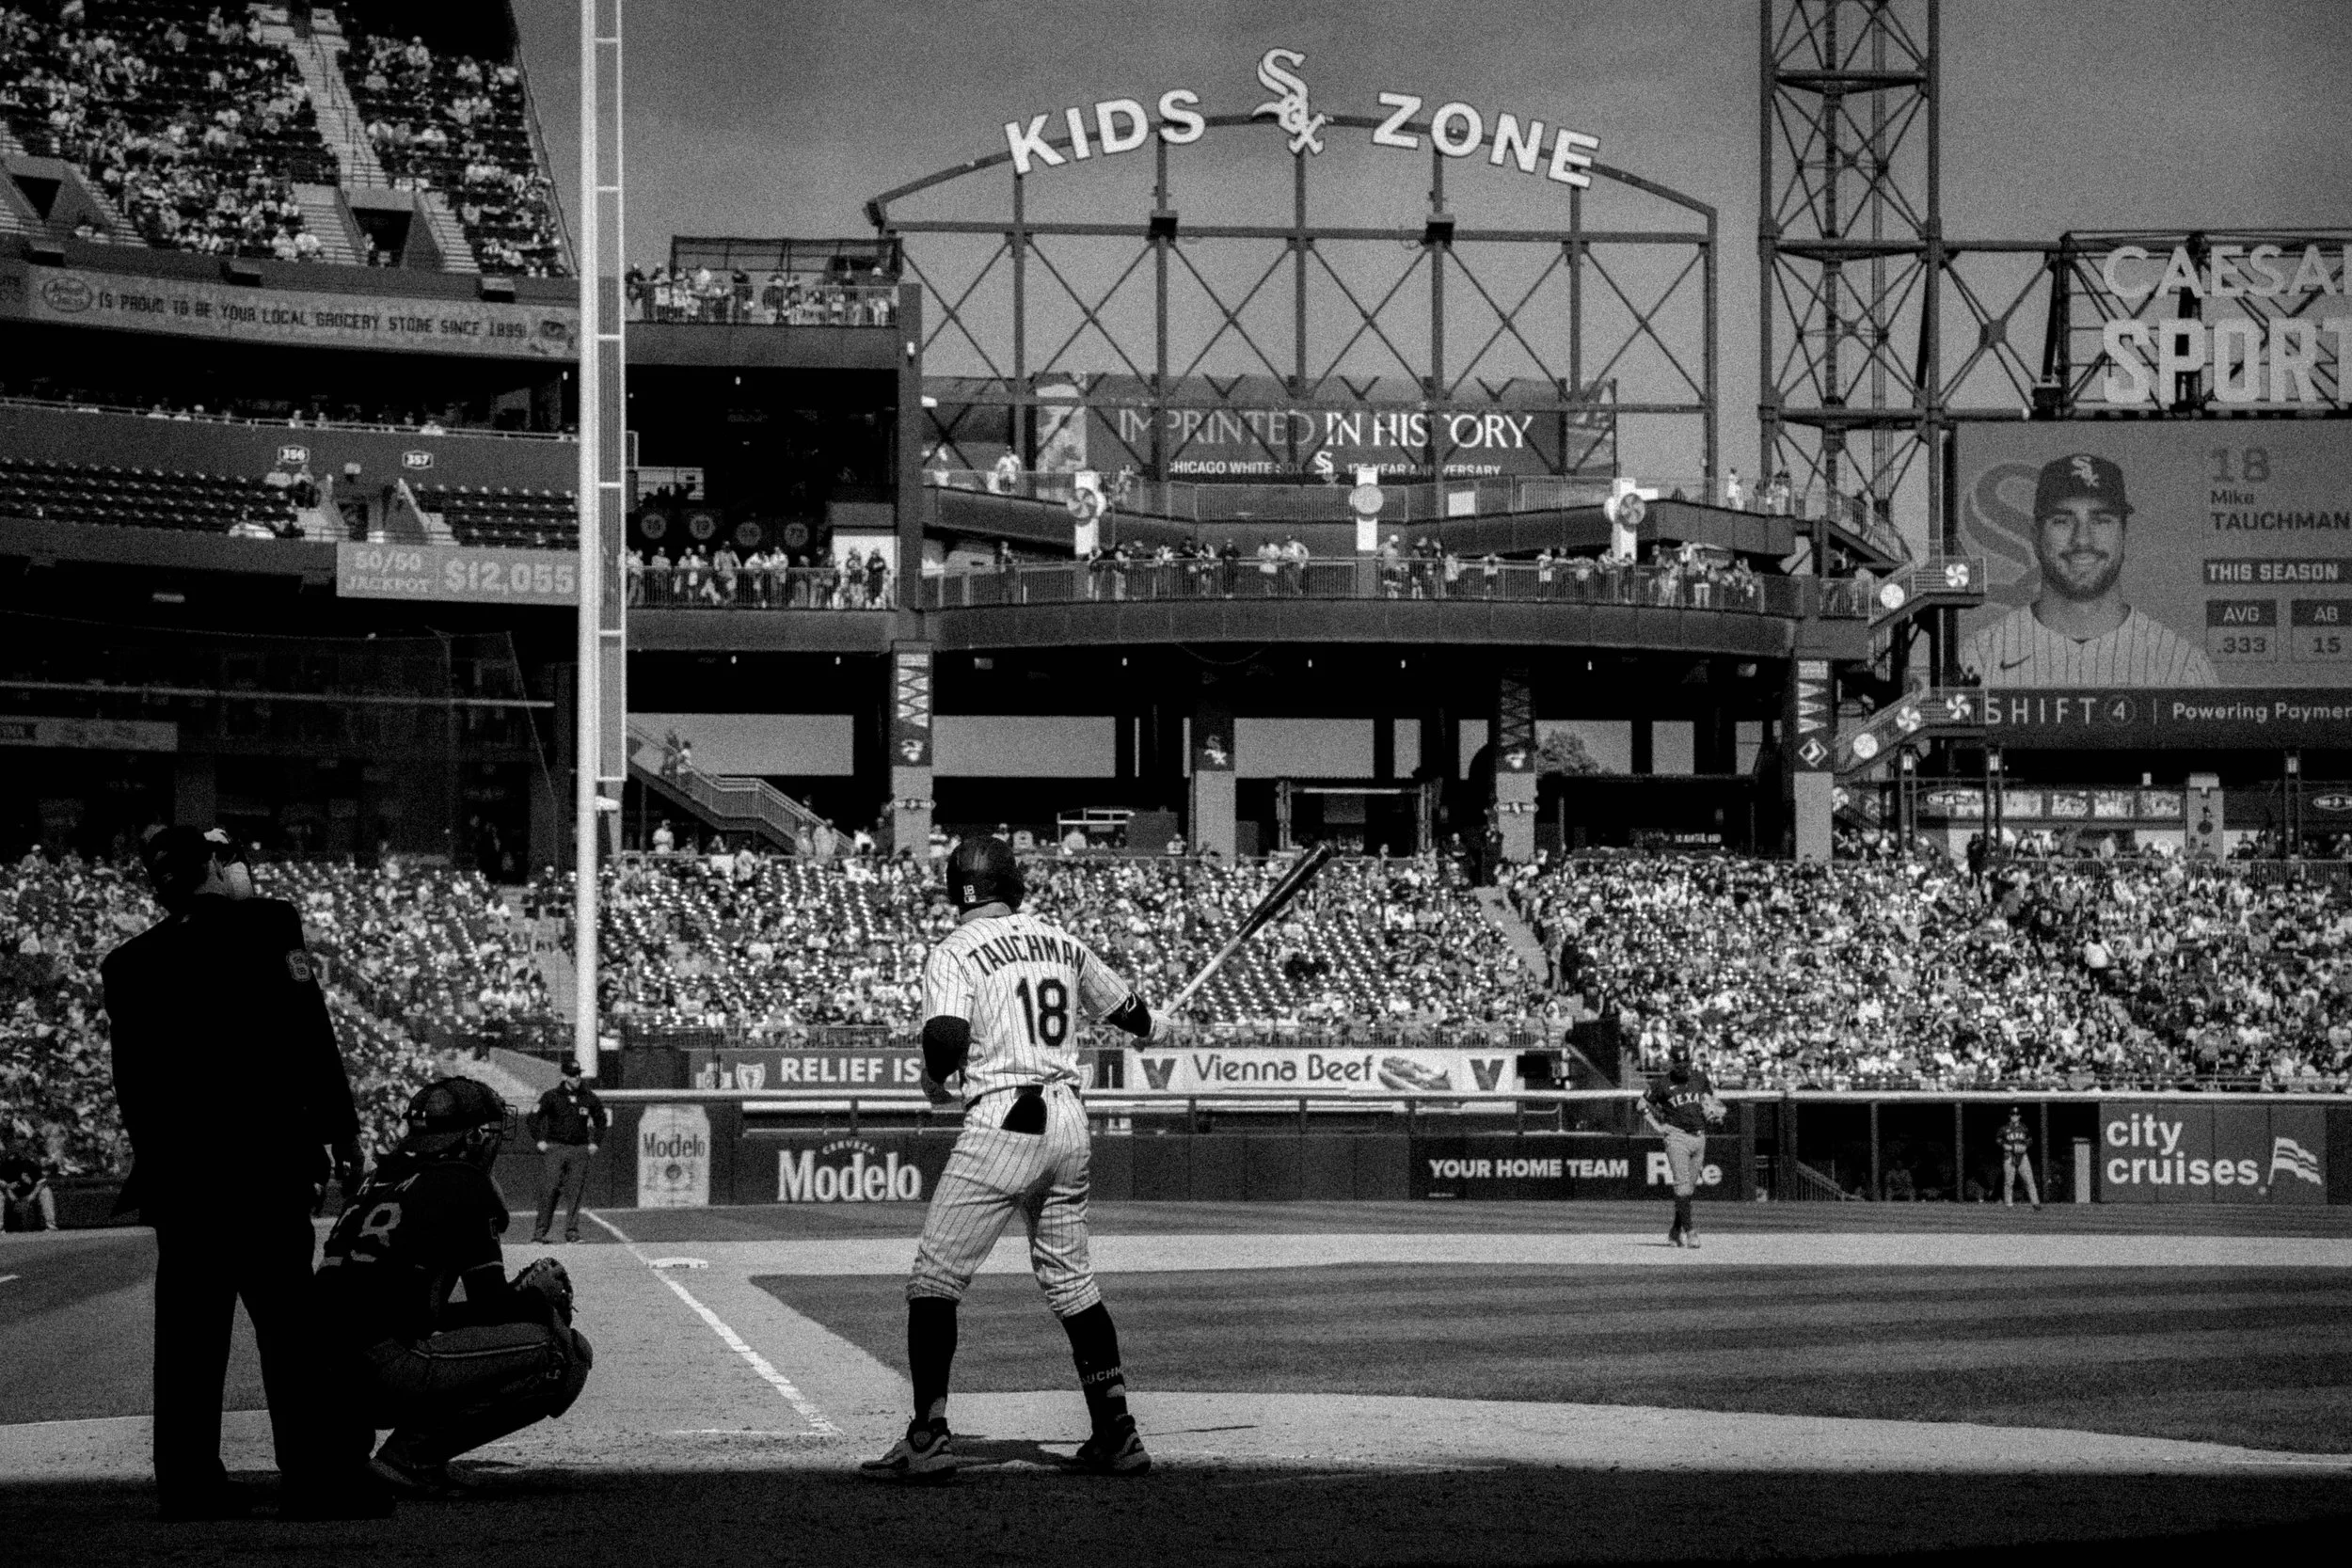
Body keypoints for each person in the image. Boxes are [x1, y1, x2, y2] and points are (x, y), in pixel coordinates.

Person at [102, 826, 387, 1520]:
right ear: (212, 864)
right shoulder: (269, 924)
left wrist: (162, 1164)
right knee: (290, 1329)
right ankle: (314, 1480)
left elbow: (132, 1086)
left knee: (188, 1339)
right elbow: (309, 1029)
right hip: (263, 1167)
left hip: (183, 1180)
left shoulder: (128, 963)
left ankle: (188, 1485)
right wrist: (341, 1130)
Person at [863, 836, 1160, 1481]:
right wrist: (1153, 1025)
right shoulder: (1060, 939)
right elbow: (1131, 1012)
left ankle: (927, 1437)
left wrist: (934, 1076)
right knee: (1074, 1284)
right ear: (1012, 884)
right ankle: (1116, 1430)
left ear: (956, 889)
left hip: (1004, 1116)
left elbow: (946, 1036)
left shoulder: (955, 948)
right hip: (1069, 1122)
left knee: (935, 1281)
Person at [315, 1078, 593, 1498]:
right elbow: (488, 1303)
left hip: (314, 1376)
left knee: (390, 1329)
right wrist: (537, 1301)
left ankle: (341, 1452)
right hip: (380, 1367)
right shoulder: (463, 1181)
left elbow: (414, 1307)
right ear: (474, 1136)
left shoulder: (376, 1179)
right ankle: (410, 1458)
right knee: (563, 1352)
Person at [1960, 453, 2217, 688]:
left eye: (2101, 521)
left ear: (2124, 535)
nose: (2082, 539)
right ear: (2035, 537)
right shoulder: (1979, 659)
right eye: (2062, 521)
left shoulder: (2182, 668)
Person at [1639, 1041, 1722, 1249]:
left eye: (1686, 1063)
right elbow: (1641, 1105)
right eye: (1679, 1063)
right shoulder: (1662, 1084)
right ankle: (1691, 1232)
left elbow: (1711, 1101)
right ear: (1672, 1063)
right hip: (1676, 1137)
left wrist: (1714, 1112)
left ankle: (1675, 1231)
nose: (1683, 1067)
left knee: (1688, 1189)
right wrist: (1657, 1126)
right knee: (1682, 1185)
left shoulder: (1700, 1078)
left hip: (1699, 1137)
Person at [529, 1058, 608, 1244]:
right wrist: (539, 1140)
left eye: (578, 1074)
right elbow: (533, 1118)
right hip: (556, 1148)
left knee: (575, 1192)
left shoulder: (588, 1097)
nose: (577, 1077)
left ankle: (572, 1233)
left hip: (579, 1149)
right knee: (550, 1189)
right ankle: (540, 1233)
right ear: (564, 1076)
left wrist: (595, 1142)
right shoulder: (552, 1096)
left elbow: (601, 1119)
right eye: (573, 1075)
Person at [1998, 1107, 2042, 1210]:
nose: (2015, 1117)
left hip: (2022, 1155)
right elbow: (1998, 1139)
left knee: (2029, 1180)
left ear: (2019, 1116)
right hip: (2009, 1155)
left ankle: (2035, 1203)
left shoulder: (2024, 1128)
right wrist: (2005, 1145)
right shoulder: (2004, 1128)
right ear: (2010, 1116)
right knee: (2009, 1181)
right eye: (2013, 1115)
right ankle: (2009, 1204)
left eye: (2016, 1115)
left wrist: (2025, 1146)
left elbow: (2030, 1139)